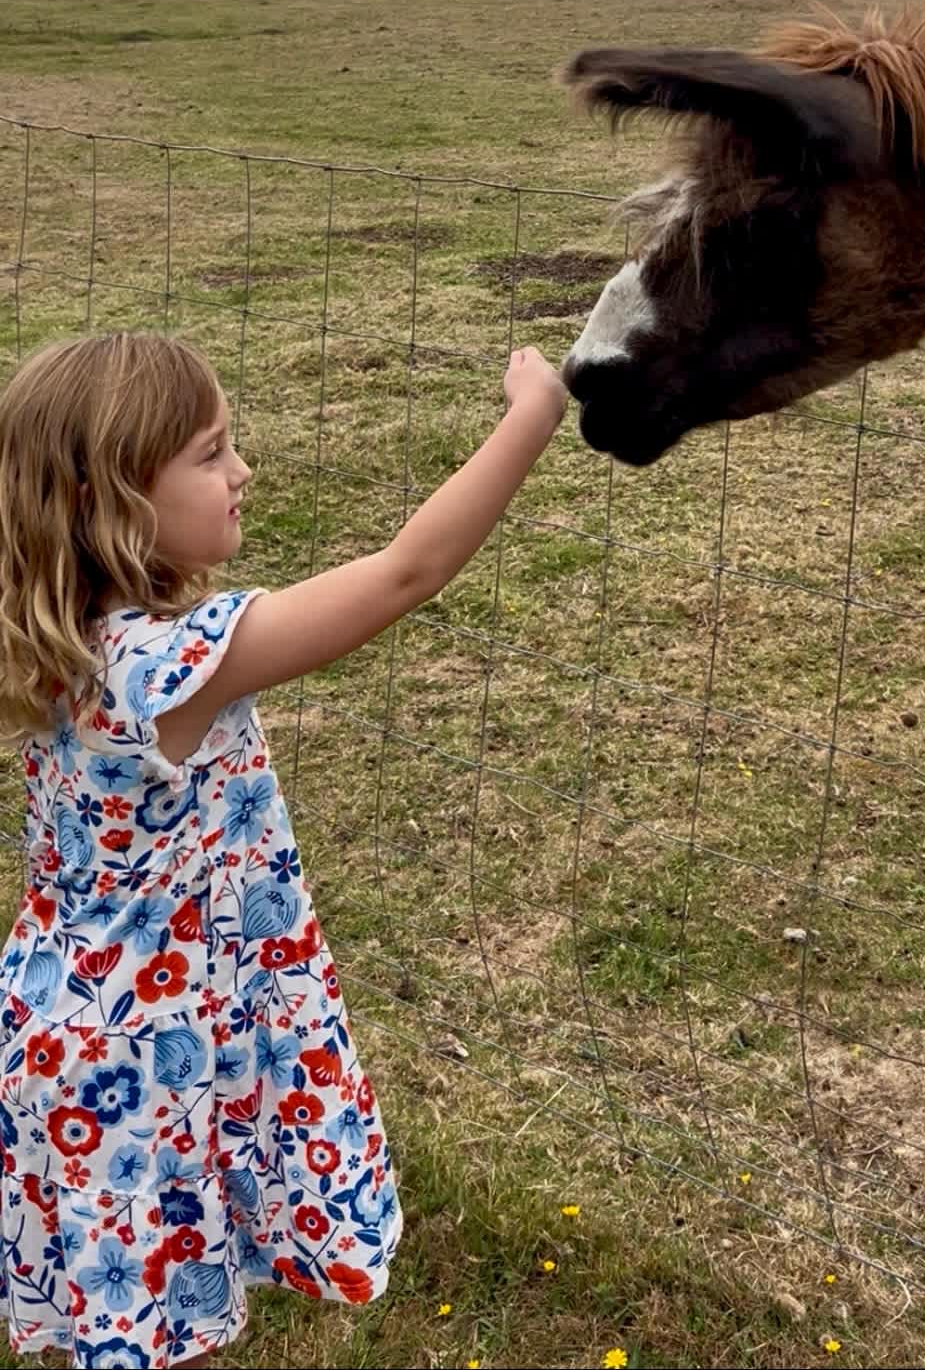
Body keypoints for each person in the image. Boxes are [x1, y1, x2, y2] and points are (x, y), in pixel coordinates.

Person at [0, 331, 568, 1368]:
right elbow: (405, 573)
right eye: (211, 452)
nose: (243, 471)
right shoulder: (163, 666)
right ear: (107, 499)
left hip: (72, 1026)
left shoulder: (60, 639)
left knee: (138, 1328)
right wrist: (531, 415)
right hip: (142, 1064)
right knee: (163, 1340)